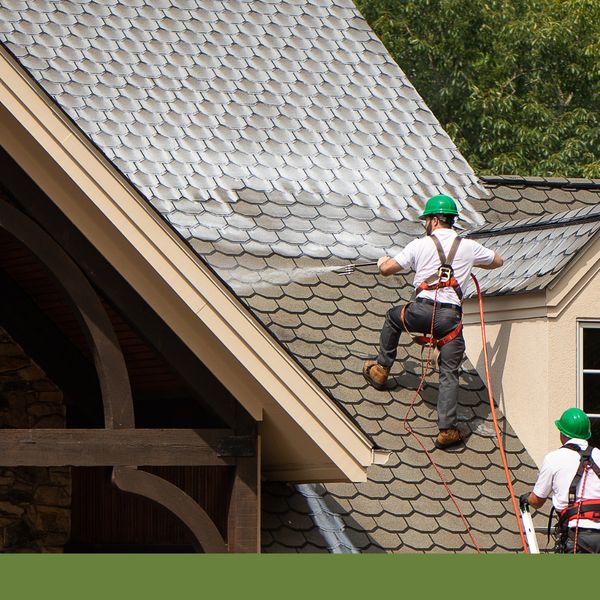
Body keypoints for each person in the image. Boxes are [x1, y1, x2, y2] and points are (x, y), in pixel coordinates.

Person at [362, 194, 503, 449]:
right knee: (449, 372)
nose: (425, 224)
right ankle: (447, 430)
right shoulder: (469, 246)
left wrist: (382, 262)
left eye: (427, 219)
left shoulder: (419, 245)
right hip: (450, 321)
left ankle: (382, 369)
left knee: (394, 318)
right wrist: (469, 263)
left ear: (435, 220)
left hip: (421, 312)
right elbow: (497, 261)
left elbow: (387, 269)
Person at [521, 407, 600, 553]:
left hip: (576, 535)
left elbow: (537, 501)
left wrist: (527, 499)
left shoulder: (554, 458)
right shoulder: (598, 455)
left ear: (563, 433)